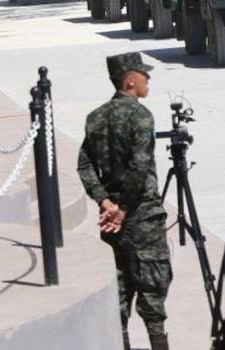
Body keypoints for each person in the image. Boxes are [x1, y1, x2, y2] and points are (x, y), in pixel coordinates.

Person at [77, 52, 172, 350]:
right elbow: (139, 167)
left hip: (112, 221)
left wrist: (105, 201)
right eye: (144, 75)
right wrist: (123, 209)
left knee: (119, 290)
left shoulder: (95, 117)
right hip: (141, 216)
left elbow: (84, 165)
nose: (148, 79)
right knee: (152, 290)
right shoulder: (140, 116)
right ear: (130, 80)